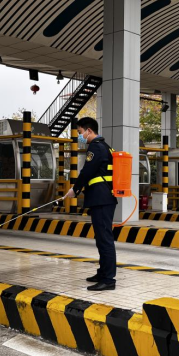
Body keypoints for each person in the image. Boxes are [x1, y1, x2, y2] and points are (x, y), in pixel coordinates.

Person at [64, 117, 118, 291]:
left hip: (101, 199)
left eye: (80, 132)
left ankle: (108, 280)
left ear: (89, 130)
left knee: (105, 239)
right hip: (103, 198)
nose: (80, 136)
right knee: (101, 238)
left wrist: (75, 189)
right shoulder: (105, 146)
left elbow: (87, 172)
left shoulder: (95, 147)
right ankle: (103, 273)